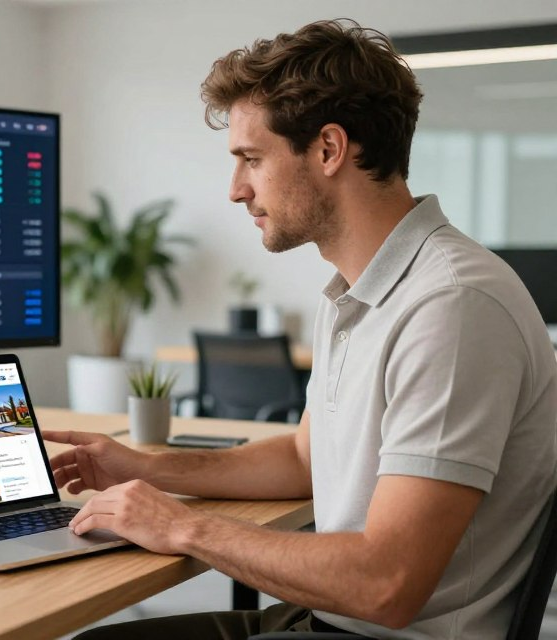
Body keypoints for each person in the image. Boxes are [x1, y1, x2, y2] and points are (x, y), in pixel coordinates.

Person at [43, 18, 557, 640]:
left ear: (329, 149)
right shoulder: (355, 289)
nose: (236, 190)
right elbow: (301, 458)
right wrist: (145, 469)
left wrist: (183, 526)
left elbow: (386, 583)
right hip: (331, 618)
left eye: (251, 160)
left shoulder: (451, 305)